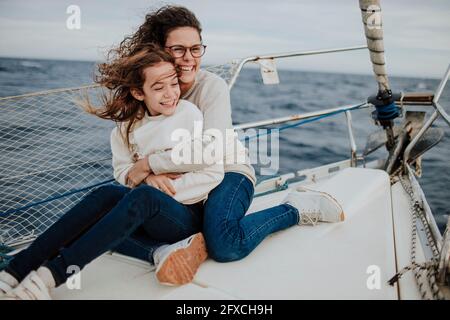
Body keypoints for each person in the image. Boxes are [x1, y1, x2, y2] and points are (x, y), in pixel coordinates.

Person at [116, 6, 345, 267]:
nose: (189, 57)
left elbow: (211, 151)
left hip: (228, 171)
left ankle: (295, 209)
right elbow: (134, 146)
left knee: (225, 246)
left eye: (196, 48)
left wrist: (148, 165)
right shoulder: (146, 89)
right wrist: (148, 175)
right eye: (178, 49)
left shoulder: (211, 86)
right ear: (159, 50)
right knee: (112, 221)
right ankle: (164, 252)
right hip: (189, 184)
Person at [0, 45, 223, 299]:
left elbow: (212, 172)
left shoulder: (189, 115)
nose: (171, 94)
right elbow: (123, 171)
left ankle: (48, 277)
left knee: (142, 197)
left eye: (173, 84)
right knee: (105, 194)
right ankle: (14, 272)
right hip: (145, 209)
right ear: (139, 92)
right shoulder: (126, 128)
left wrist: (155, 186)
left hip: (184, 216)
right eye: (159, 88)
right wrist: (147, 176)